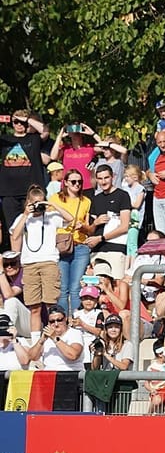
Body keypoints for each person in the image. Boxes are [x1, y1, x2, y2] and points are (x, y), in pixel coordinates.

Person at [11, 184, 71, 324]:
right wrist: (26, 214)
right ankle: (36, 340)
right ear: (28, 202)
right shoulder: (23, 218)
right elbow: (14, 236)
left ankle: (54, 336)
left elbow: (70, 219)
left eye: (41, 202)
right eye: (35, 203)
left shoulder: (51, 216)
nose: (38, 206)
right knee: (34, 307)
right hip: (29, 264)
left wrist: (52, 205)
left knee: (51, 305)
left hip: (49, 263)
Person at [1, 111, 49, 252]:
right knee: (13, 229)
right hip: (8, 192)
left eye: (22, 122)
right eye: (16, 122)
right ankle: (17, 260)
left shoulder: (33, 139)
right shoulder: (5, 140)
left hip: (31, 192)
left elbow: (45, 131)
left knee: (35, 224)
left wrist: (26, 119)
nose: (19, 125)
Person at [49, 168, 91, 313]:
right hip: (62, 245)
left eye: (79, 181)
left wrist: (83, 227)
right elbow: (49, 222)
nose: (77, 184)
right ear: (65, 182)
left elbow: (89, 229)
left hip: (80, 245)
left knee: (75, 288)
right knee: (62, 288)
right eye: (73, 181)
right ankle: (62, 322)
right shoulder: (55, 199)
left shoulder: (86, 201)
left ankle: (77, 321)